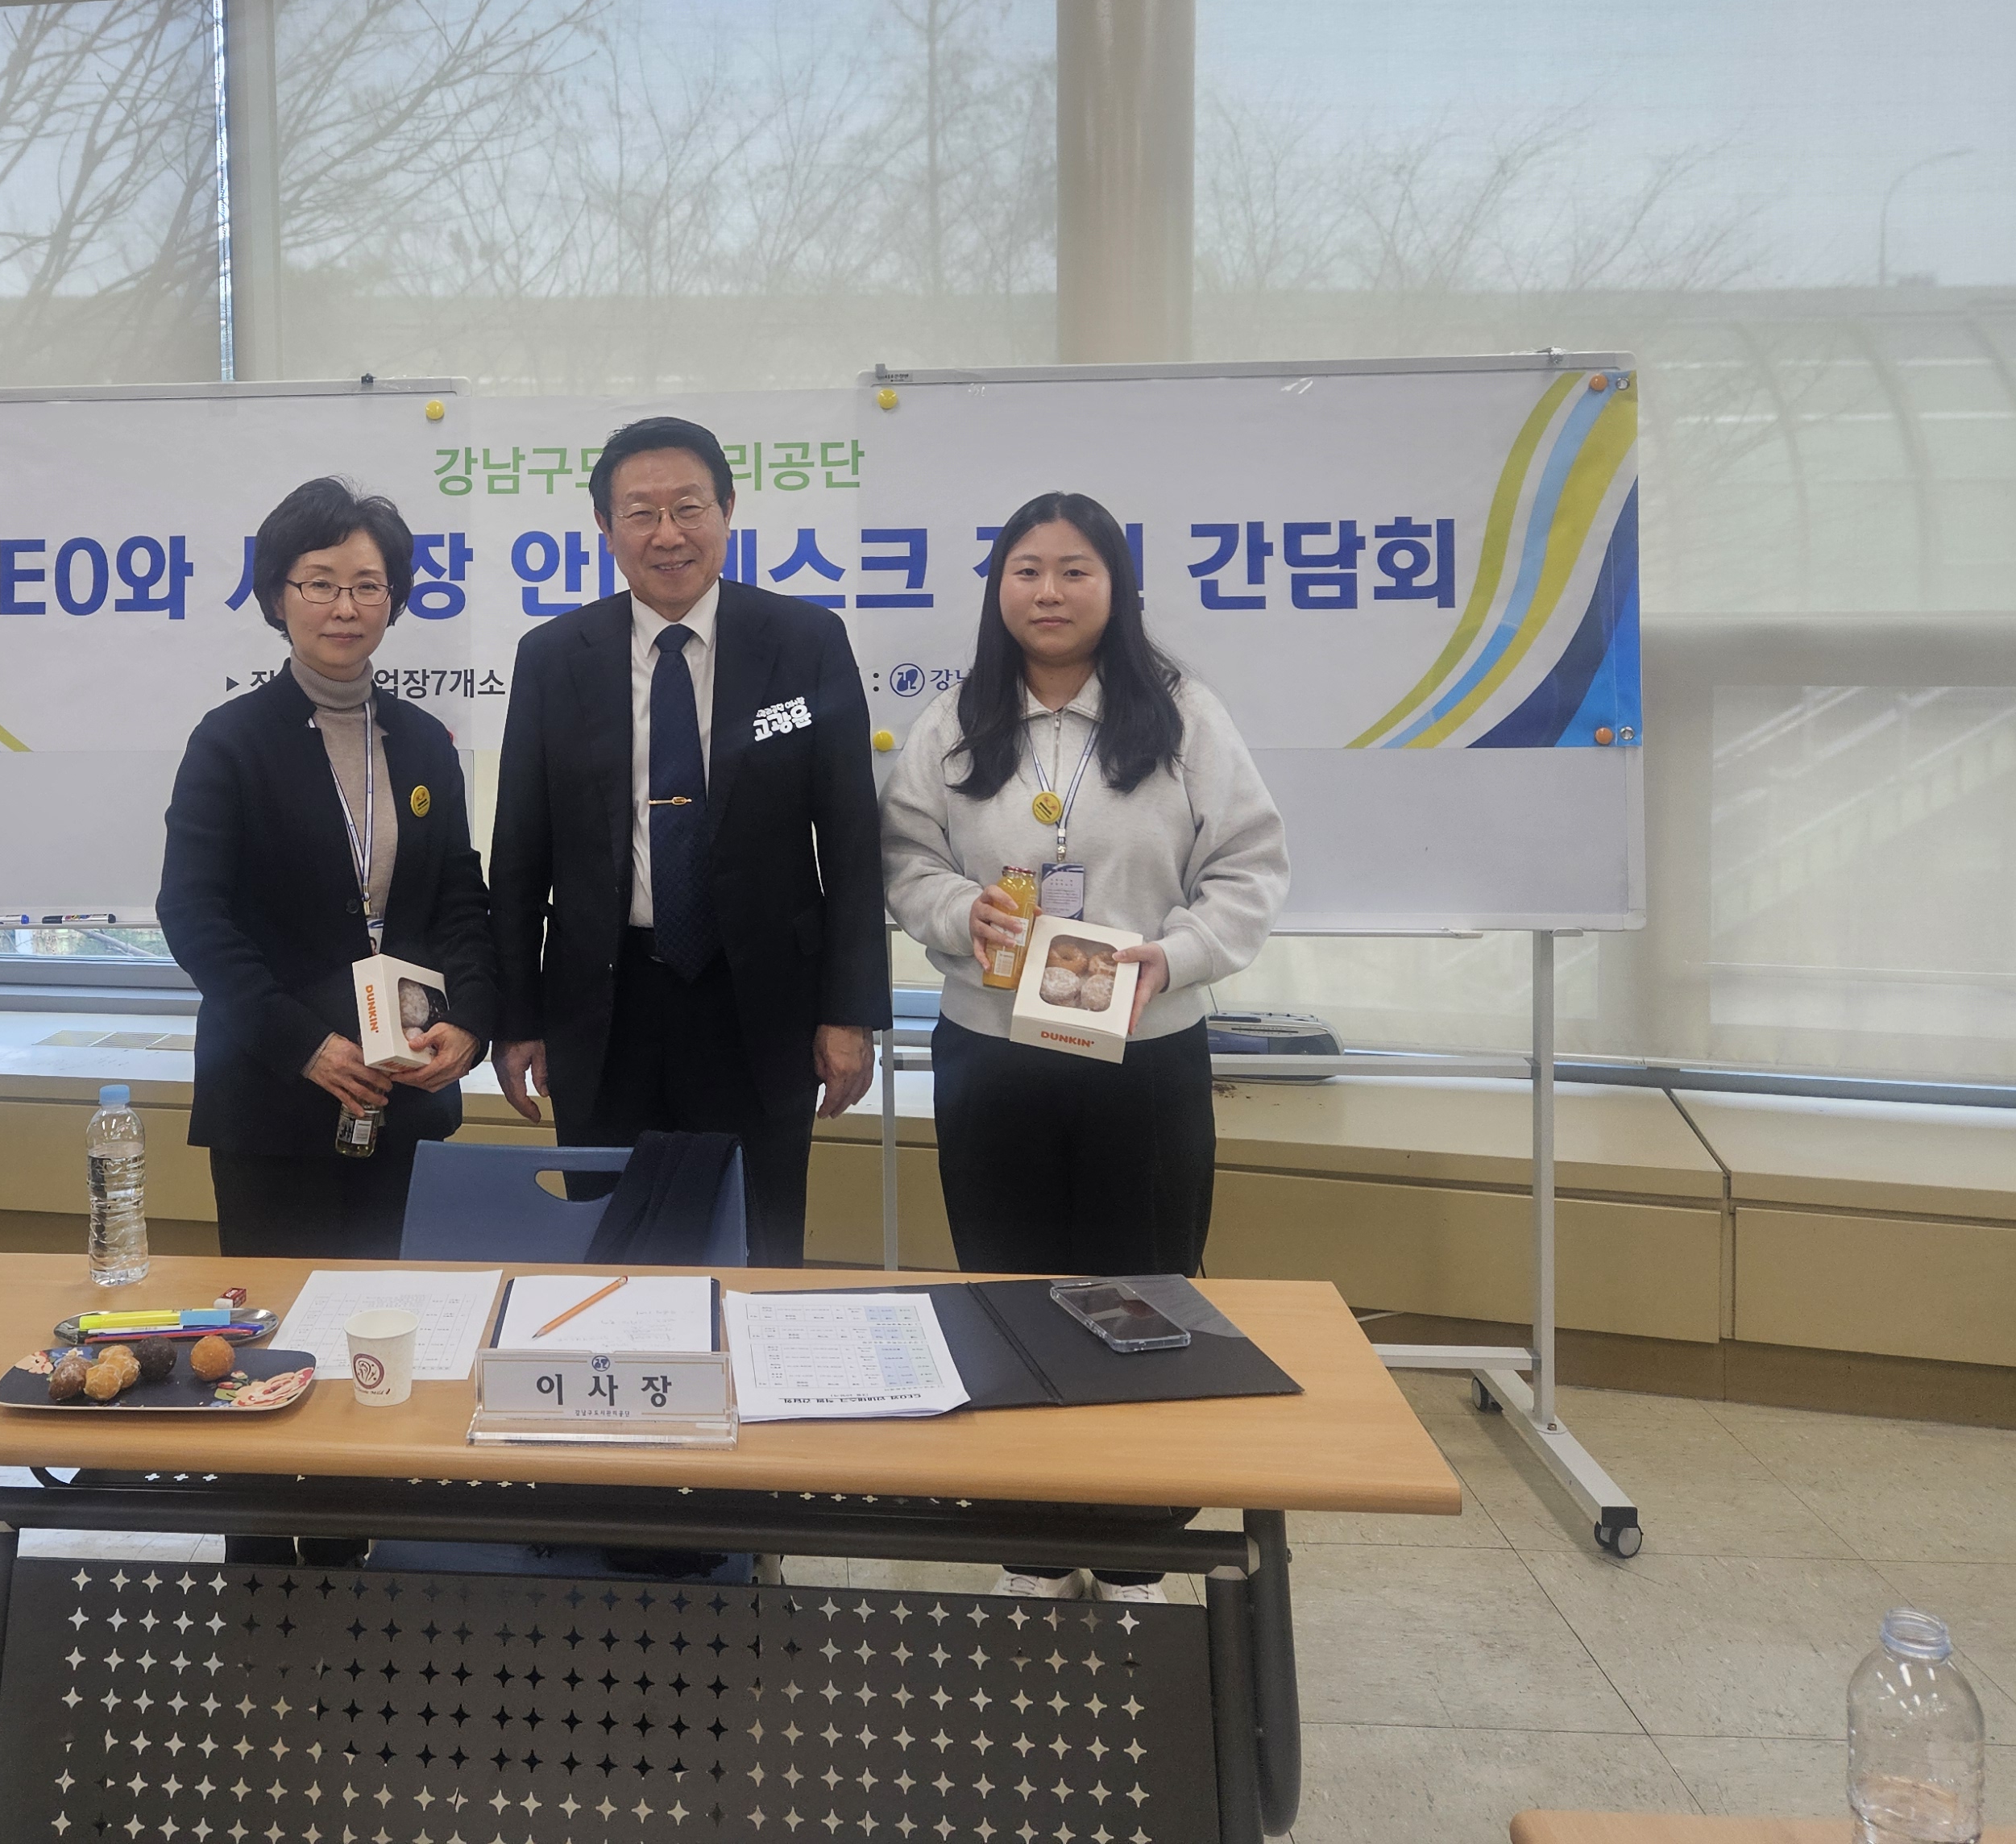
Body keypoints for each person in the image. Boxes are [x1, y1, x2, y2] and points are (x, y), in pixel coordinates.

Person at [880, 490, 1288, 1603]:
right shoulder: (957, 719)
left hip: (1143, 1054)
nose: (1049, 593)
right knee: (1007, 1288)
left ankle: (1137, 1546)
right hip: (991, 1051)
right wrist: (960, 912)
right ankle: (1030, 1544)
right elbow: (905, 861)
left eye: (1075, 571)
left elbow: (1248, 866)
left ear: (1116, 587)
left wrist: (1177, 955)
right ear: (997, 590)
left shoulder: (1182, 715)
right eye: (1027, 571)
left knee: (1144, 1292)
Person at [491, 415, 890, 1267]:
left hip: (762, 1006)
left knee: (759, 1243)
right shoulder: (553, 657)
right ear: (605, 528)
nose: (667, 534)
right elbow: (520, 851)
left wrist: (850, 1011)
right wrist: (516, 1017)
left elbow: (852, 841)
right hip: (604, 1006)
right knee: (610, 1248)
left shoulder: (805, 644)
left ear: (728, 511)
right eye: (641, 513)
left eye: (688, 508)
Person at [159, 476, 494, 1248]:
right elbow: (194, 915)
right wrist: (306, 1048)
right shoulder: (229, 742)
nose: (345, 607)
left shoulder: (424, 743)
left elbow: (459, 899)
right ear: (278, 598)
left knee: (404, 1309)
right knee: (283, 1315)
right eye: (320, 583)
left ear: (393, 601)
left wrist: (471, 1022)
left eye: (368, 586)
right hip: (273, 1095)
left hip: (408, 1089)